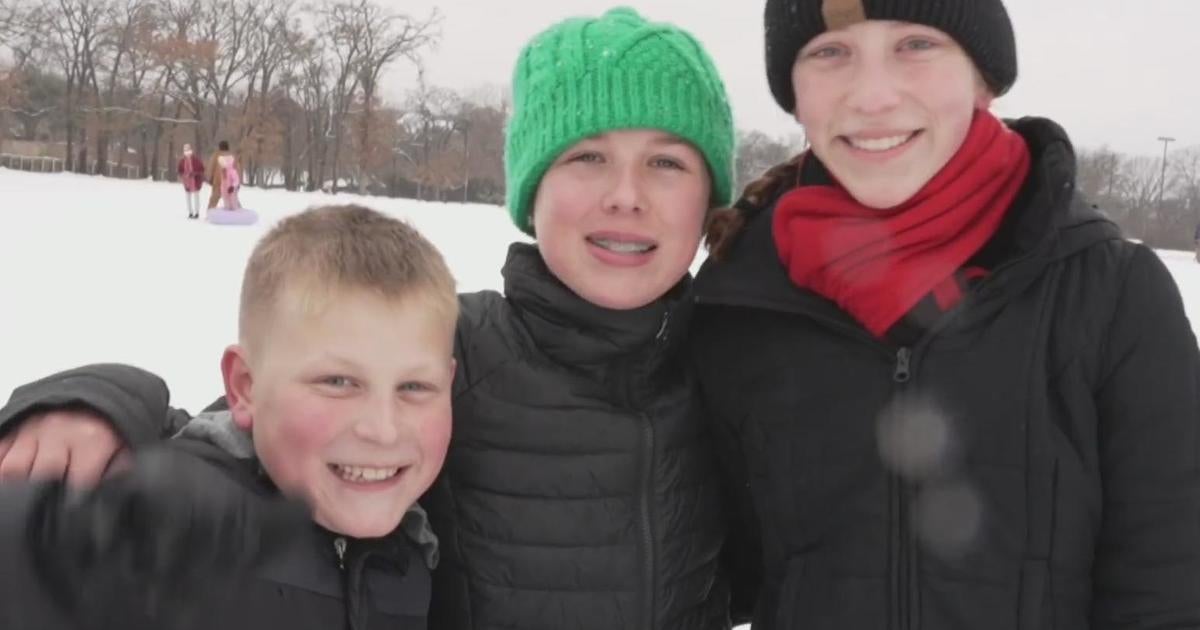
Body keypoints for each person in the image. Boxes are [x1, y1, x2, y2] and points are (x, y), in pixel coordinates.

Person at [0, 7, 747, 630]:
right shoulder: (448, 344)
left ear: (708, 196)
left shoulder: (739, 370)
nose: (626, 195)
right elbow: (253, 427)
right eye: (586, 157)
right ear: (532, 188)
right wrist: (91, 405)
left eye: (667, 163)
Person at [690, 0, 1200, 628]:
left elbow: (1171, 591)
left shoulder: (1111, 296)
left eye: (916, 45)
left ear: (983, 77)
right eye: (830, 52)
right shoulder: (741, 302)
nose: (872, 96)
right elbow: (705, 573)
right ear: (793, 95)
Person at [0, 204, 456, 630]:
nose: (382, 429)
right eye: (338, 382)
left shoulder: (413, 554)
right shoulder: (165, 520)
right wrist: (81, 407)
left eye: (414, 387)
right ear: (245, 387)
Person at [177, 143, 205, 219]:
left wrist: (195, 173)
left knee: (196, 197)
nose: (187, 151)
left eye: (188, 149)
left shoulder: (196, 160)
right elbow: (180, 170)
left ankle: (197, 212)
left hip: (195, 181)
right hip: (186, 182)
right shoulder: (182, 161)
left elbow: (202, 169)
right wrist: (183, 175)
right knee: (188, 197)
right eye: (185, 150)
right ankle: (190, 212)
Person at [207, 140, 232, 211]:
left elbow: (211, 166)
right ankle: (236, 213)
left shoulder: (216, 155)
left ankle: (210, 212)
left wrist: (210, 178)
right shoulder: (232, 156)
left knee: (214, 199)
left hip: (218, 181)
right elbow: (236, 168)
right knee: (232, 198)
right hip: (230, 182)